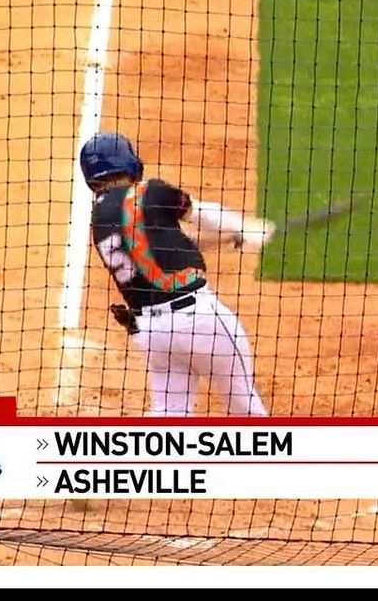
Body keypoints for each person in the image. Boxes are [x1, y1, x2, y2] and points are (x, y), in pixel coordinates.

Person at [79, 131, 272, 416]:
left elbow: (162, 243)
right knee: (244, 404)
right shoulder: (148, 192)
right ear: (127, 162)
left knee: (168, 414)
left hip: (153, 333)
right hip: (202, 322)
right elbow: (201, 213)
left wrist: (232, 237)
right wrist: (244, 225)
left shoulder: (99, 221)